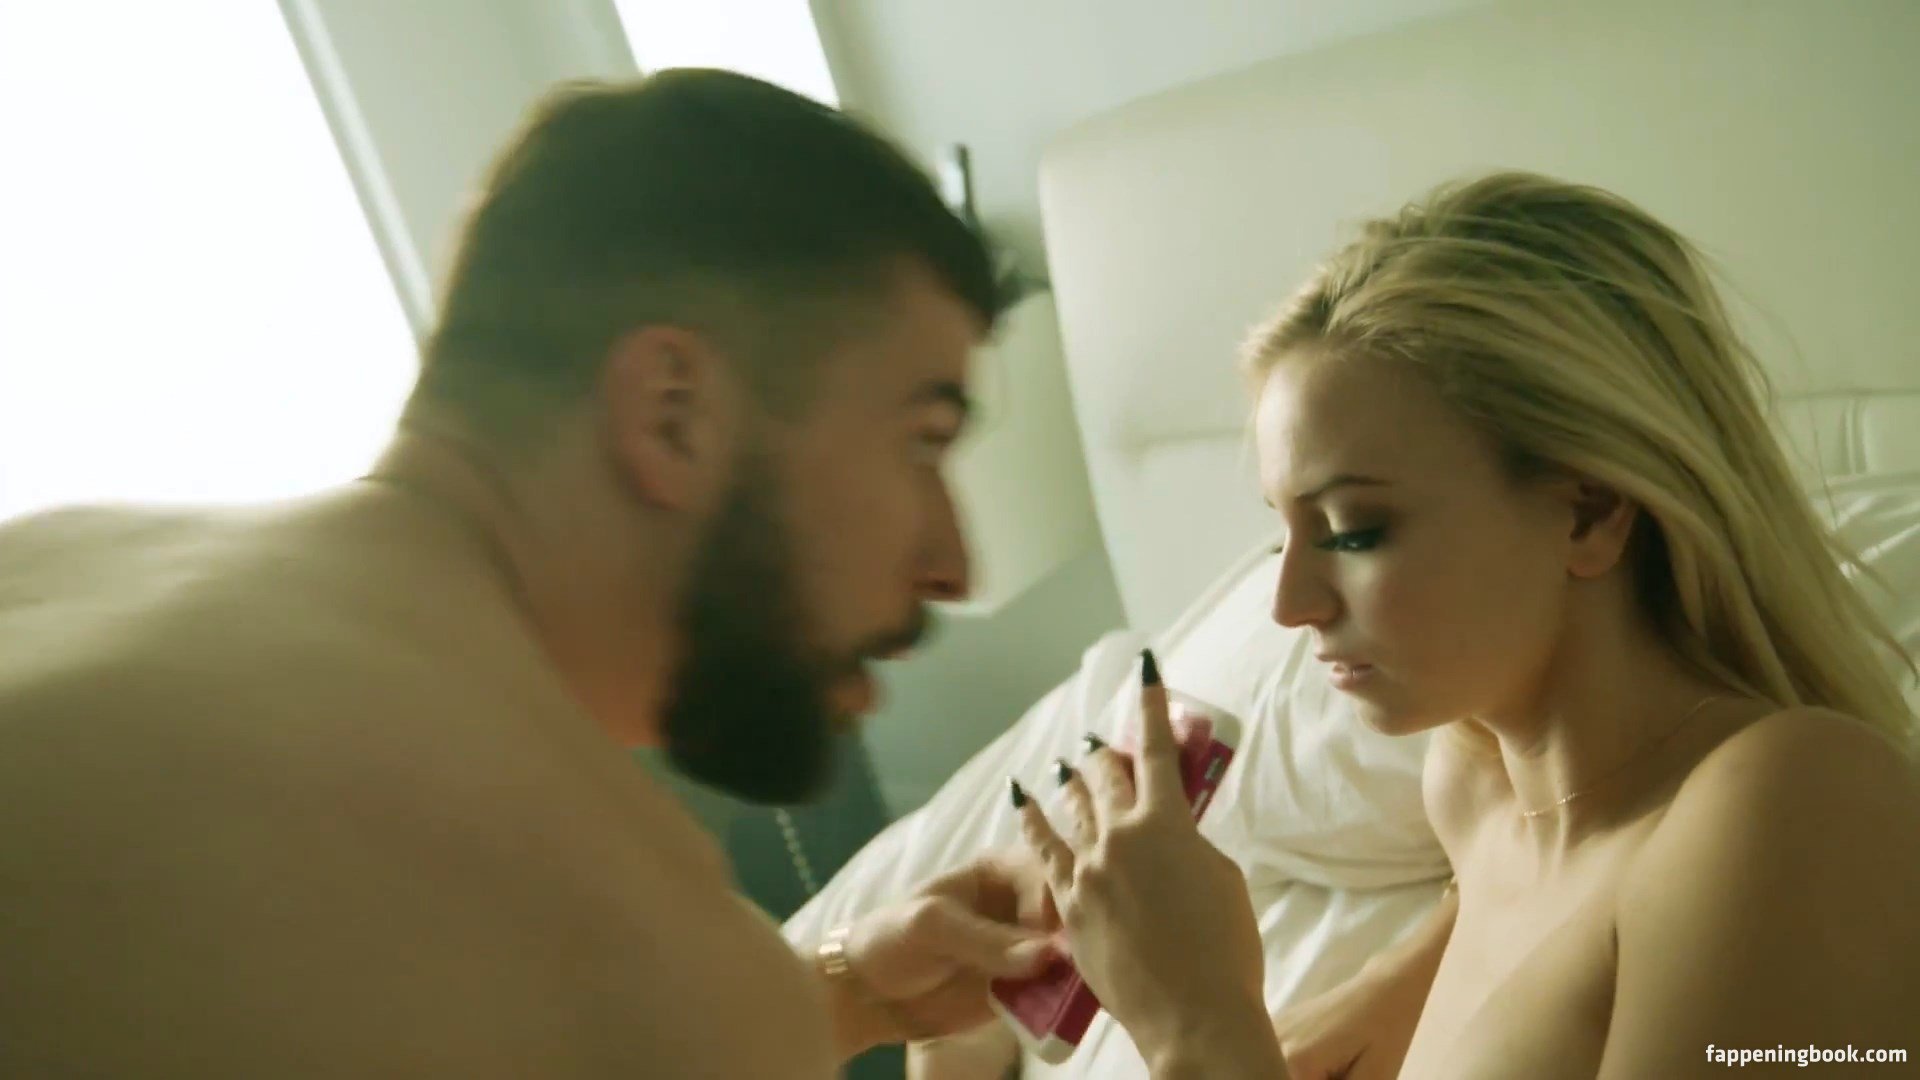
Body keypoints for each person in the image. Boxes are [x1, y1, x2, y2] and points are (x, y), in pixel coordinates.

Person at [0, 70, 1063, 1076]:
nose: (952, 563)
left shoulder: (64, 556)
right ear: (672, 413)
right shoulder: (631, 947)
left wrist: (844, 994)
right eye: (922, 442)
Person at [1013, 172, 1920, 1078]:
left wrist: (1199, 1026)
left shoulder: (1795, 804)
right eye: (1284, 531)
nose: (1289, 604)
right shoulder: (1477, 800)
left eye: (1354, 531)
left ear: (1589, 512)